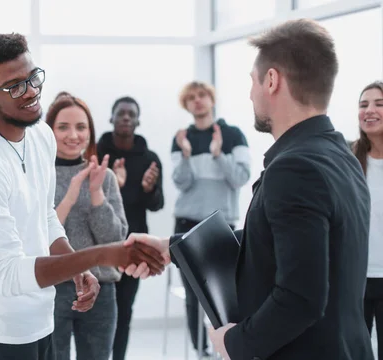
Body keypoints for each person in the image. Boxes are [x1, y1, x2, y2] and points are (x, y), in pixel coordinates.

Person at [124, 18, 375, 360]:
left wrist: (235, 343)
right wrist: (173, 248)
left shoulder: (295, 167)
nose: (250, 93)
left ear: (271, 80)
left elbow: (301, 298)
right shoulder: (338, 153)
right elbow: (276, 241)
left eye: (252, 81)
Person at [0, 33, 165, 360]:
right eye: (15, 86)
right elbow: (8, 274)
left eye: (33, 78)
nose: (32, 92)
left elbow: (44, 216)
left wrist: (77, 270)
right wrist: (97, 256)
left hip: (43, 320)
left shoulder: (40, 135)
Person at [46, 93, 128, 360]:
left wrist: (96, 194)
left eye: (81, 127)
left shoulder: (104, 178)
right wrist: (70, 196)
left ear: (90, 132)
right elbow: (40, 236)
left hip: (100, 289)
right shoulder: (38, 176)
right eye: (63, 127)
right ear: (49, 130)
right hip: (51, 288)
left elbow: (114, 240)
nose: (73, 135)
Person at [173, 81, 250, 355]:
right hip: (186, 223)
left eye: (202, 95)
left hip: (220, 227)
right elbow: (181, 183)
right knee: (193, 297)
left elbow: (240, 178)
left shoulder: (233, 135)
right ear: (186, 104)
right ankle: (200, 351)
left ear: (211, 99)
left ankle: (229, 349)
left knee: (229, 295)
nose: (197, 101)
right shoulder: (181, 137)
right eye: (191, 97)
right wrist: (184, 155)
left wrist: (218, 154)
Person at [96, 96, 164, 360]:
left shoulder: (150, 158)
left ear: (137, 121)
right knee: (97, 313)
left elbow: (158, 204)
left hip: (133, 248)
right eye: (120, 113)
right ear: (111, 118)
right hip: (98, 245)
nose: (126, 117)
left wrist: (149, 189)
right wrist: (115, 186)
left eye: (131, 114)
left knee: (123, 311)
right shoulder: (97, 154)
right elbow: (89, 204)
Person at [352, 80, 383, 360]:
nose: (369, 110)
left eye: (379, 103)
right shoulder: (348, 158)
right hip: (354, 279)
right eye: (363, 105)